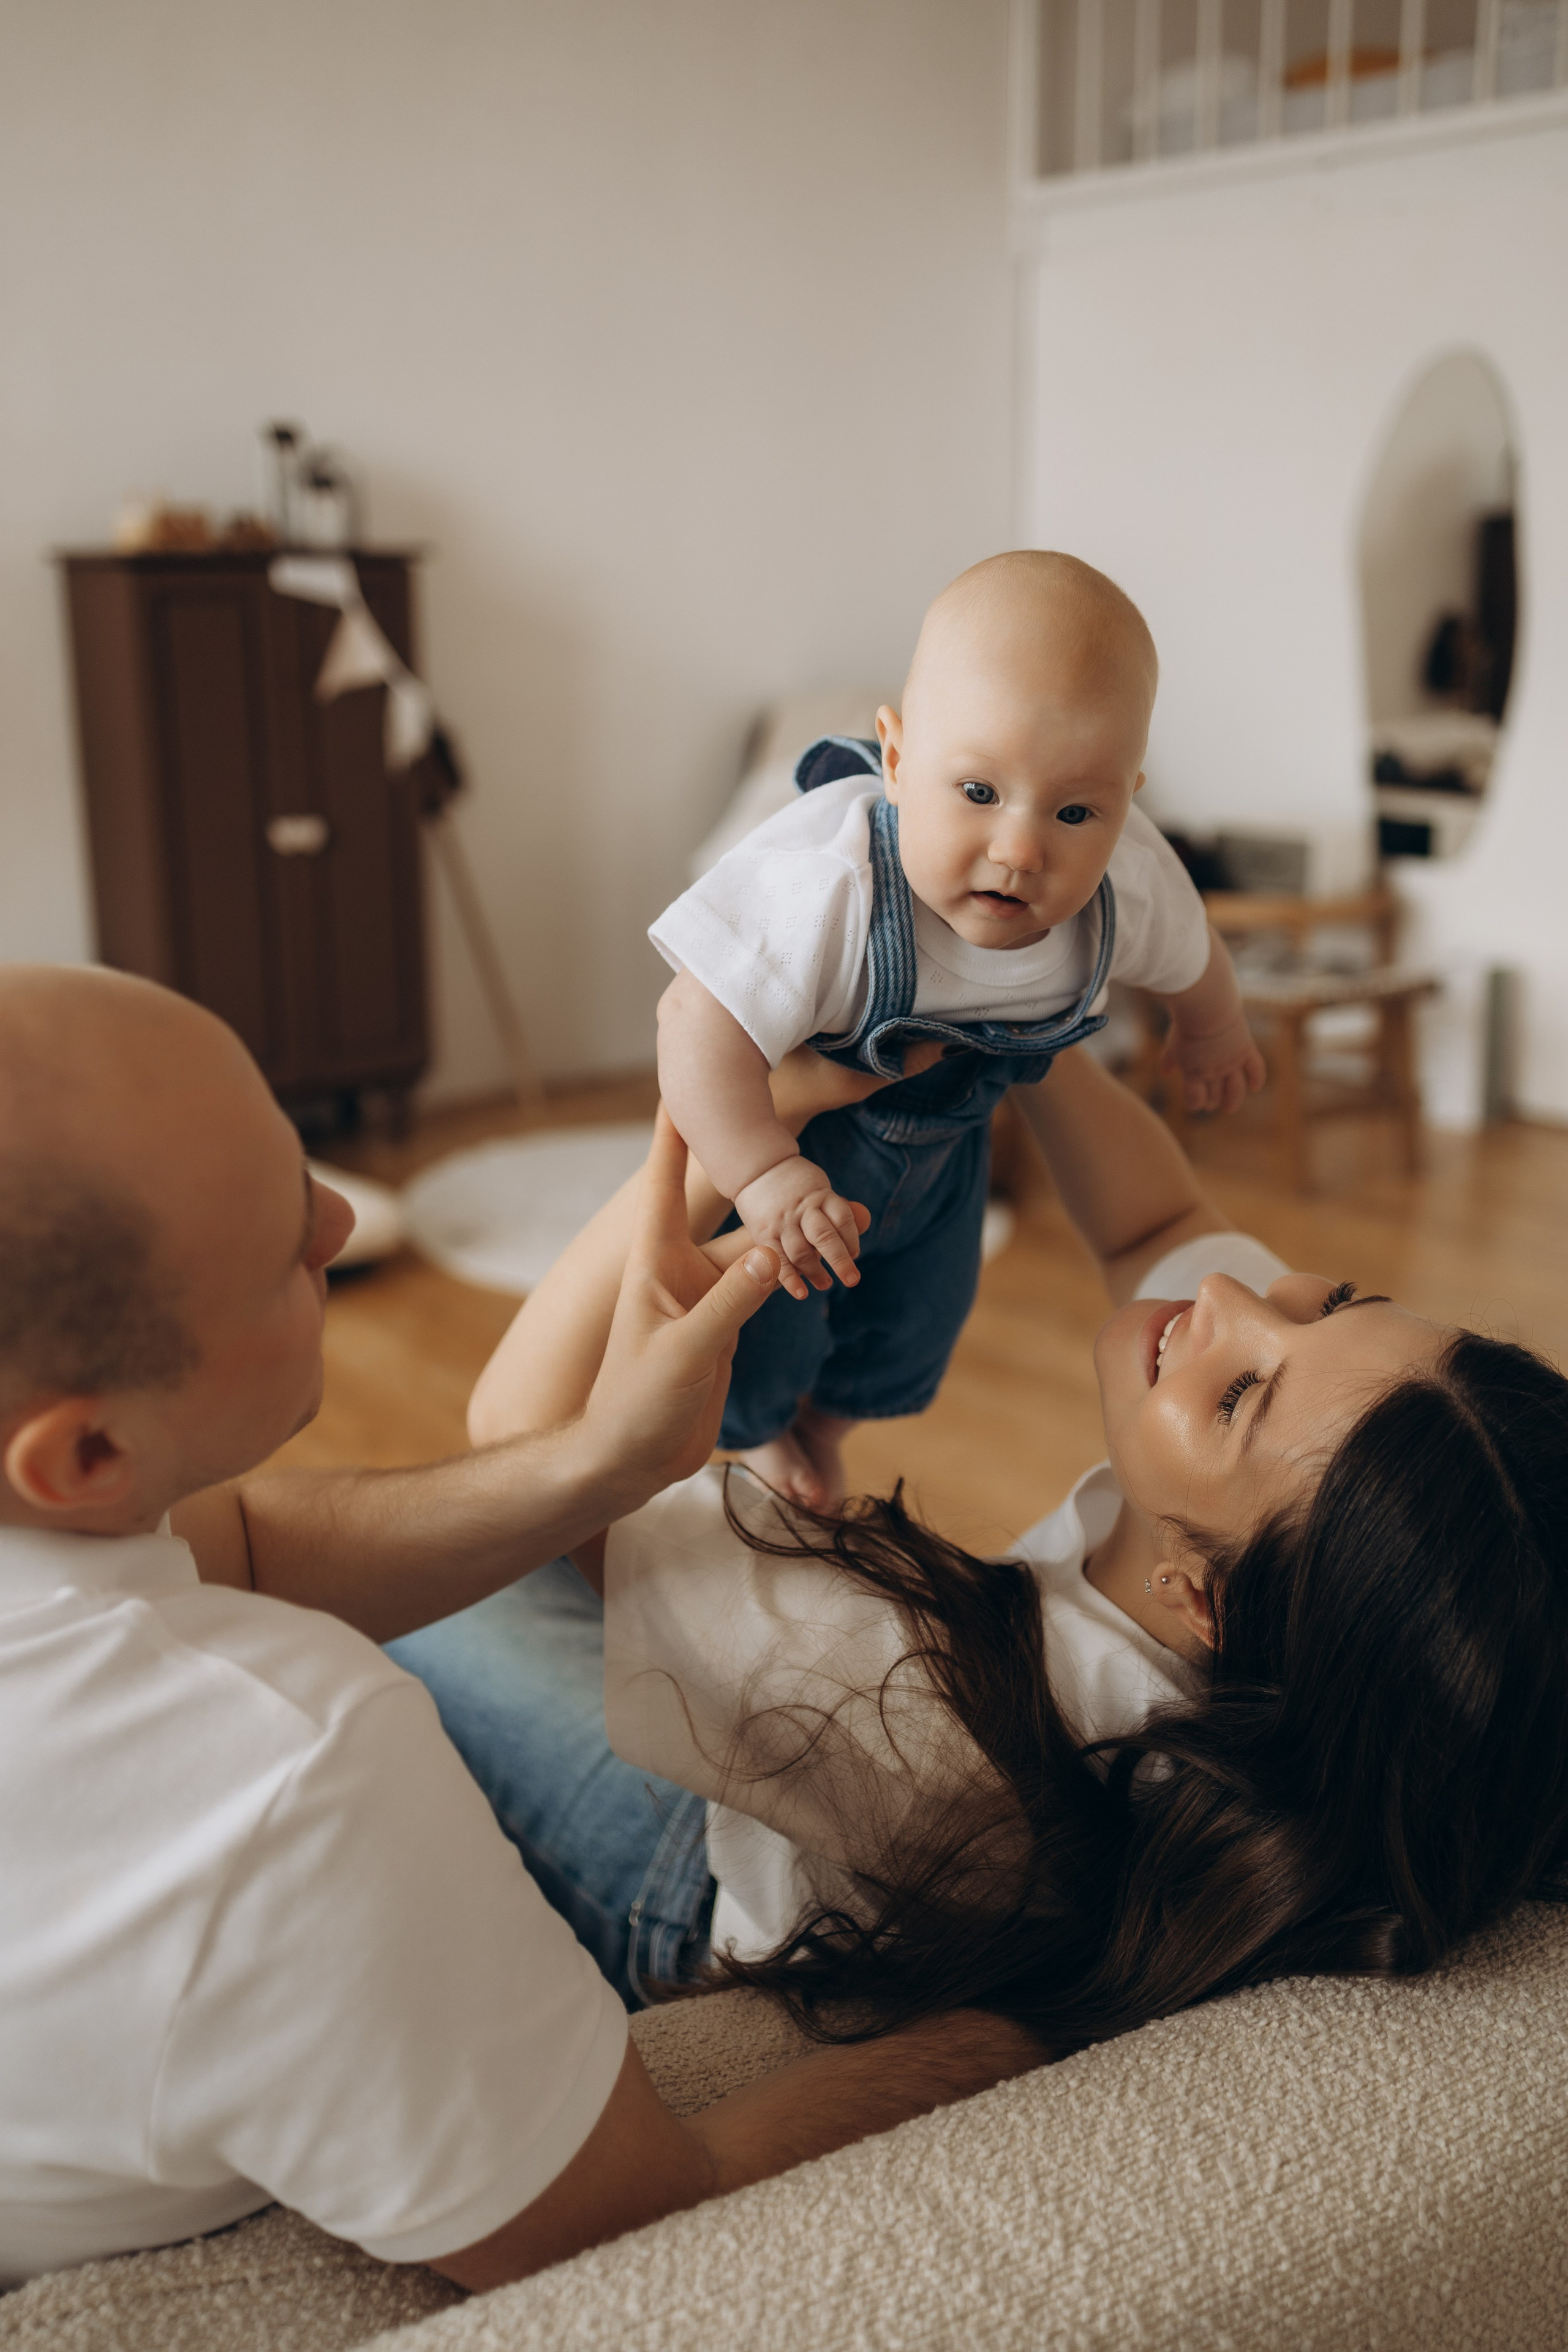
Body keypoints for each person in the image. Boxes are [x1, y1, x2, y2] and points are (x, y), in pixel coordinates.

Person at [0, 966, 1041, 2294]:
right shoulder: (284, 1767)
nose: (335, 1218)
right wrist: (1038, 2024)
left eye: (298, 1159)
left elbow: (240, 1549)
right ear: (86, 1452)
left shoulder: (71, 1535)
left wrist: (599, 1465)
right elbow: (617, 2223)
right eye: (281, 1244)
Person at [410, 1043, 1568, 2047]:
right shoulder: (1306, 1613)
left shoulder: (923, 1710)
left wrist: (746, 1133)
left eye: (1239, 1398)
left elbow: (533, 1450)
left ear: (1203, 1602)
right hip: (860, 1773)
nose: (1231, 1295)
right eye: (1335, 1303)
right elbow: (1156, 1222)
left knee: (435, 1580)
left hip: (692, 1893)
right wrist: (1029, 1023)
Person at [650, 550, 1265, 1510]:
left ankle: (826, 1428)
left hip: (948, 1164)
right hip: (810, 1151)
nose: (1021, 851)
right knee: (771, 1330)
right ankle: (768, 1433)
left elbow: (1193, 958)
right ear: (895, 759)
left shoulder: (1127, 882)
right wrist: (764, 1174)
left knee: (918, 1326)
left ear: (1125, 800)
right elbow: (693, 1017)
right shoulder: (838, 878)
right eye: (977, 793)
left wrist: (1212, 1029)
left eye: (1074, 811)